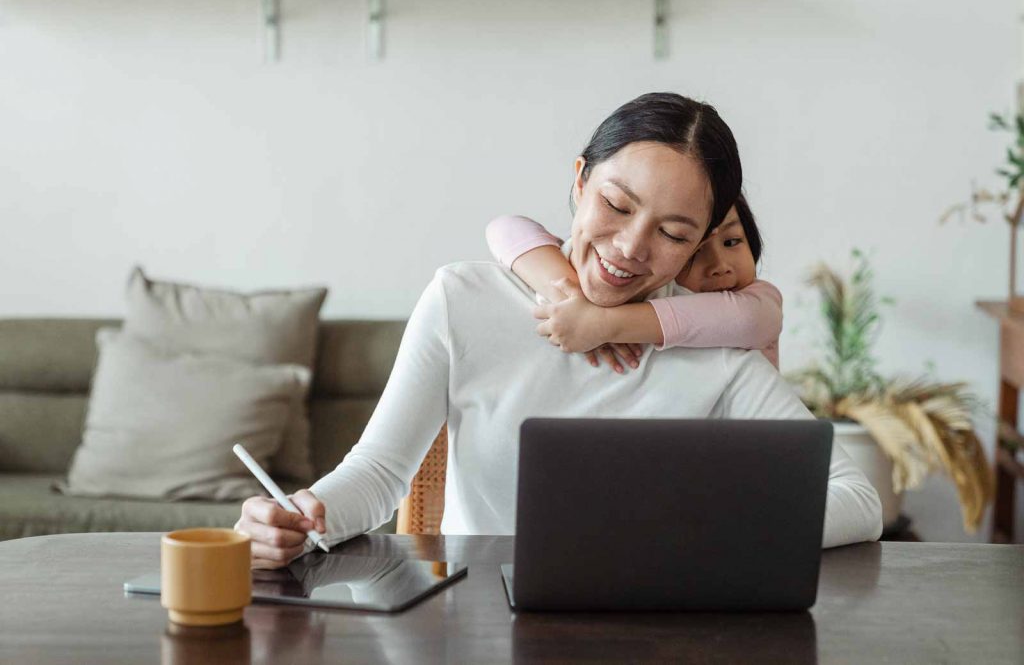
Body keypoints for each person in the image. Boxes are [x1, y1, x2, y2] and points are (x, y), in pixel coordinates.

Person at [235, 92, 883, 569]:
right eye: (616, 205)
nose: (630, 247)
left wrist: (714, 528)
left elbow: (858, 499)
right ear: (579, 182)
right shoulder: (464, 300)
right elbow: (378, 474)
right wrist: (298, 514)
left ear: (700, 243)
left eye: (673, 233)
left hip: (654, 633)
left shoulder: (714, 346)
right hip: (478, 628)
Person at [484, 192, 781, 372]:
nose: (720, 267)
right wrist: (569, 297)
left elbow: (749, 321)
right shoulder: (652, 293)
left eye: (732, 241)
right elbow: (505, 228)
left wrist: (603, 323)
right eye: (695, 253)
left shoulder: (759, 301)